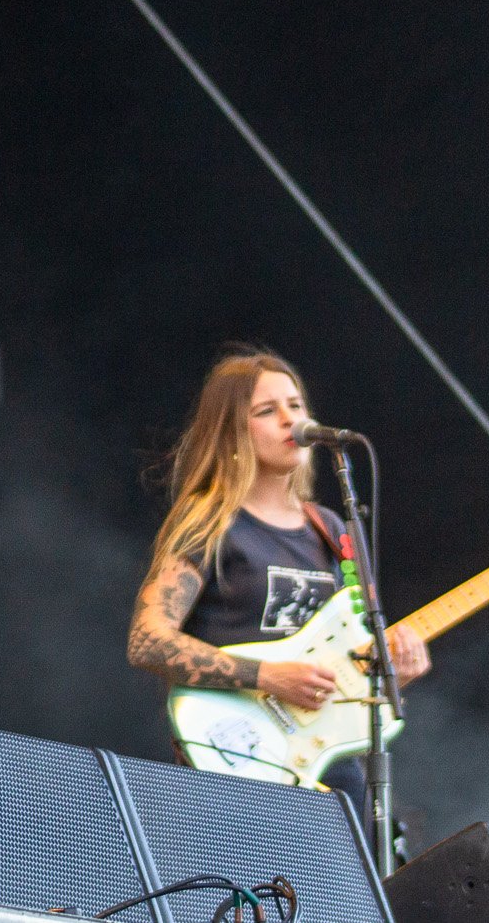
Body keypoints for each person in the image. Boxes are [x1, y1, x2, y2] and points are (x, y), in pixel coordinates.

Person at [126, 348, 429, 818]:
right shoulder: (210, 522)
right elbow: (147, 641)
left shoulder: (333, 528)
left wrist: (394, 670)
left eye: (296, 405)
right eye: (267, 411)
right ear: (232, 433)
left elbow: (357, 655)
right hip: (240, 753)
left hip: (331, 766)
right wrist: (268, 676)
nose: (290, 419)